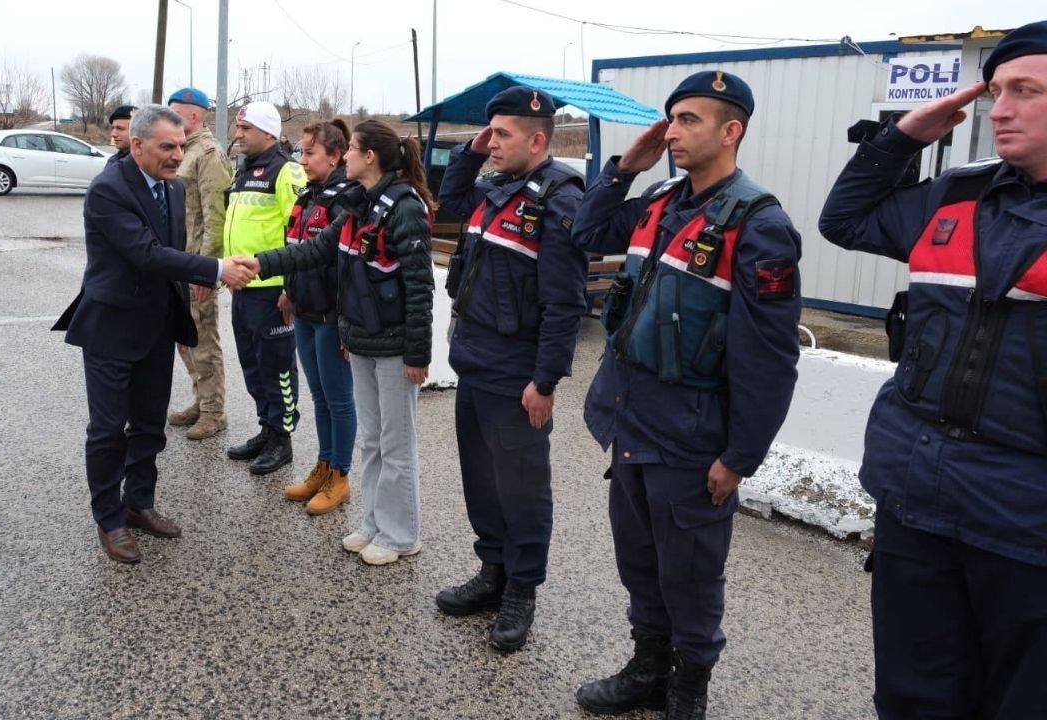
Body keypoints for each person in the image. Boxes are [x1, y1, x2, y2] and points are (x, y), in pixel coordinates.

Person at [818, 21, 1047, 719]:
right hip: (919, 503)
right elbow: (846, 221)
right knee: (915, 699)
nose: (999, 108)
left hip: (1028, 529)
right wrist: (904, 137)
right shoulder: (957, 194)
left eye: (1026, 91)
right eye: (996, 91)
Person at [570, 71, 802, 719]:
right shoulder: (660, 200)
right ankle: (648, 666)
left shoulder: (759, 224)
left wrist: (740, 456)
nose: (673, 131)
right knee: (640, 561)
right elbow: (587, 235)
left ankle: (688, 688)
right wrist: (623, 169)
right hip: (632, 421)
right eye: (671, 119)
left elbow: (771, 359)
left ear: (732, 131)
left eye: (690, 120)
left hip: (693, 435)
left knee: (691, 573)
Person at [51, 104, 256, 563]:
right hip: (111, 326)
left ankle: (139, 502)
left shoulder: (173, 188)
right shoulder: (108, 189)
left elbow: (170, 253)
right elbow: (146, 254)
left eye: (181, 145)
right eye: (167, 146)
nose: (176, 155)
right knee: (107, 430)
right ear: (138, 145)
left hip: (155, 325)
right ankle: (109, 518)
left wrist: (191, 291)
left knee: (148, 425)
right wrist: (217, 268)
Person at [233, 119, 436, 565]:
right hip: (361, 337)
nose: (343, 157)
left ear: (369, 157)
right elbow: (316, 251)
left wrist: (419, 354)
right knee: (371, 440)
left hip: (395, 342)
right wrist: (260, 262)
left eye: (351, 151)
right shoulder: (359, 204)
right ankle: (375, 523)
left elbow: (420, 288)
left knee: (396, 444)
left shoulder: (405, 207)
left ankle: (402, 535)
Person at [434, 86, 587, 652]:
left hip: (517, 373)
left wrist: (545, 381)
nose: (492, 142)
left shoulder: (559, 200)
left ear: (538, 140)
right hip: (474, 362)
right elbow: (450, 202)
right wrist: (472, 151)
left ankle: (521, 590)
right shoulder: (496, 187)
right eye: (490, 133)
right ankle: (491, 572)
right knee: (482, 483)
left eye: (502, 134)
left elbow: (565, 302)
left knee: (522, 490)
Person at [277, 119, 358, 515]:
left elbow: (346, 266)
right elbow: (294, 245)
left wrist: (346, 323)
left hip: (331, 316)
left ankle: (339, 476)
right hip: (305, 311)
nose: (302, 159)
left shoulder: (346, 198)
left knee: (339, 401)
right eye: (301, 152)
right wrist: (287, 292)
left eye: (310, 152)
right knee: (319, 397)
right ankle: (323, 466)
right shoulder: (310, 194)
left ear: (335, 155)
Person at [223, 101, 307, 475]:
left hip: (271, 290)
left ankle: (282, 439)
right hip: (243, 287)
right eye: (238, 129)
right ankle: (266, 428)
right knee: (252, 365)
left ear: (269, 133)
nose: (237, 135)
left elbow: (300, 233)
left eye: (245, 129)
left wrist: (291, 288)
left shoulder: (287, 171)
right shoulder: (244, 171)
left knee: (278, 368)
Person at [166, 87, 233, 441]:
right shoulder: (184, 151)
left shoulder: (208, 154)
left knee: (203, 339)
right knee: (184, 338)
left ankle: (214, 411)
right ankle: (200, 400)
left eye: (175, 114)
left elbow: (216, 217)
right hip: (178, 262)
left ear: (193, 116)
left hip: (196, 264)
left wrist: (207, 272)